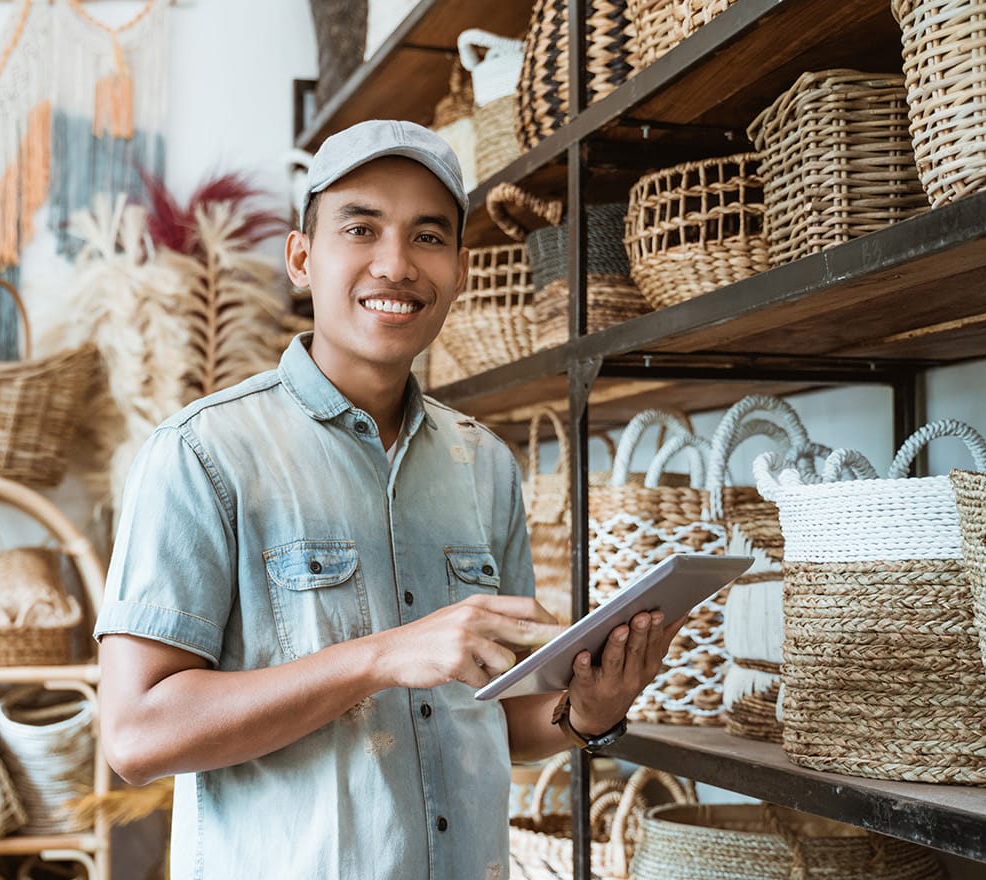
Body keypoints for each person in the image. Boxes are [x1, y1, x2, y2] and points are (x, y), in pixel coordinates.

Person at [94, 119, 687, 879]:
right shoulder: (203, 454)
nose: (395, 264)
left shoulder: (486, 466)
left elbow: (496, 718)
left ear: (461, 268)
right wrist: (381, 656)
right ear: (302, 258)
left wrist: (589, 714)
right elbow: (138, 737)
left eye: (428, 237)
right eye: (361, 228)